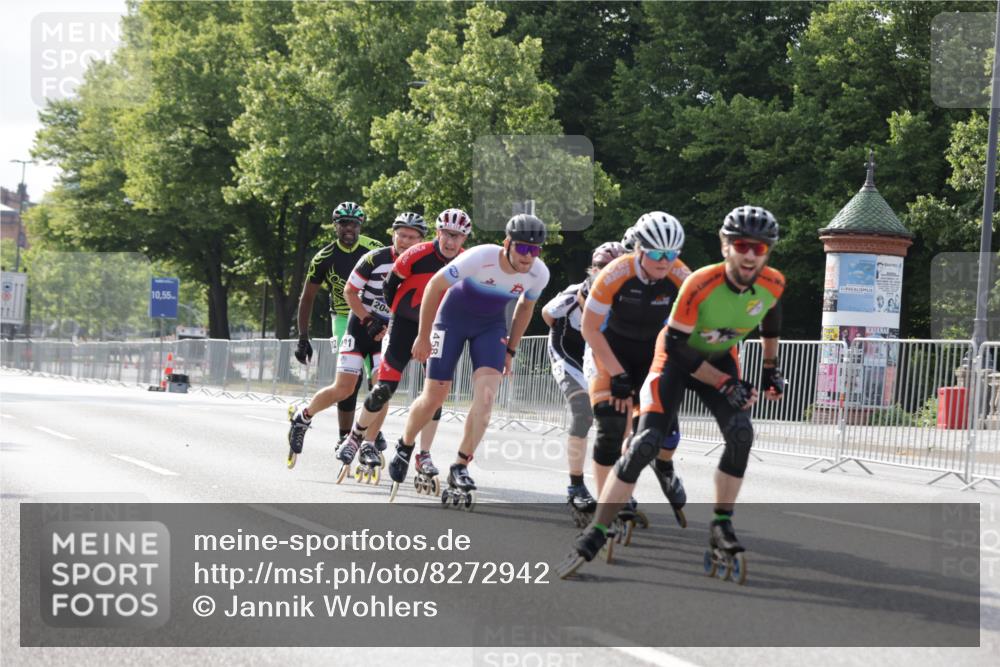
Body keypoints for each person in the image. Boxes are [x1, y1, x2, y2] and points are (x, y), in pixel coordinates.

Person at [558, 205, 786, 579]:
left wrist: (770, 370)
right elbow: (603, 332)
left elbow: (771, 318)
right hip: (638, 352)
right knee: (627, 434)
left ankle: (720, 523)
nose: (665, 262)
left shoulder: (767, 282)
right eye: (743, 245)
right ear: (726, 245)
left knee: (740, 434)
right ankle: (599, 525)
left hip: (708, 357)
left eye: (759, 249)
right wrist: (617, 374)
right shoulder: (629, 276)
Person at [389, 213, 550, 509]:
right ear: (507, 244)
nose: (529, 256)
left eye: (535, 249)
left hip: (490, 328)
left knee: (487, 399)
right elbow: (434, 287)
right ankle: (405, 445)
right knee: (436, 395)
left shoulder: (538, 273)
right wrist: (423, 336)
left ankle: (460, 465)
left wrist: (511, 350)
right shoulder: (480, 257)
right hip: (450, 321)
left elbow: (525, 308)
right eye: (523, 248)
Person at [339, 209, 471, 497]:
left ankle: (423, 453)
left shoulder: (467, 260)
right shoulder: (416, 254)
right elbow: (390, 285)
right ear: (438, 233)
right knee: (383, 388)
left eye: (457, 236)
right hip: (404, 326)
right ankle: (356, 435)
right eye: (447, 234)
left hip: (439, 330)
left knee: (435, 395)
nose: (451, 241)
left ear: (464, 238)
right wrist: (397, 314)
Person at [581, 212, 690, 526]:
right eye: (656, 253)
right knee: (611, 428)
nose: (663, 261)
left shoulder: (682, 276)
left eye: (671, 255)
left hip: (654, 354)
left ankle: (662, 469)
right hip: (611, 349)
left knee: (658, 432)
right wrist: (616, 373)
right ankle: (606, 512)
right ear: (639, 250)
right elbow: (590, 329)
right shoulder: (615, 274)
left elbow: (701, 325)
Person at [330, 211, 430, 482]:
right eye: (402, 235)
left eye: (413, 237)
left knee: (381, 385)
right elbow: (349, 292)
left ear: (421, 240)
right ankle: (305, 419)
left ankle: (368, 443)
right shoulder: (374, 258)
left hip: (393, 328)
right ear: (393, 234)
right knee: (345, 386)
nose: (406, 241)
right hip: (363, 325)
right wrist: (366, 317)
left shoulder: (426, 262)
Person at [286, 202, 383, 468]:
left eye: (354, 224)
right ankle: (344, 436)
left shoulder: (374, 248)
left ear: (360, 226)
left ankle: (370, 429)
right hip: (343, 318)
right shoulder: (324, 257)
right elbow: (307, 298)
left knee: (380, 379)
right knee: (350, 380)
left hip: (375, 317)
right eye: (344, 224)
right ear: (335, 226)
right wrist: (302, 338)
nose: (349, 229)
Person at [542, 241, 626, 525]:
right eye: (601, 266)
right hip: (567, 351)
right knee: (582, 412)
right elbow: (547, 314)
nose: (606, 272)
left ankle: (616, 485)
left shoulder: (628, 294)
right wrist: (568, 336)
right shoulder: (574, 292)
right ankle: (575, 484)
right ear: (592, 268)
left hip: (599, 353)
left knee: (616, 419)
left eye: (613, 267)